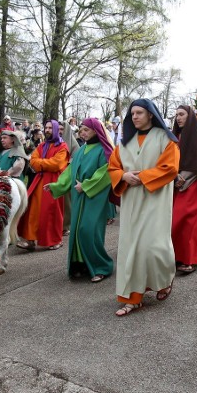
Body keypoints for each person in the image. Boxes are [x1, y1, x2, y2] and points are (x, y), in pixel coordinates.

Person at [107, 99, 179, 316]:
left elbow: (170, 168)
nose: (135, 117)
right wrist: (123, 176)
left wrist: (143, 177)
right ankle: (133, 298)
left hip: (155, 199)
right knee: (130, 248)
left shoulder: (166, 140)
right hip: (131, 202)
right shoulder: (124, 143)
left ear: (150, 114)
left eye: (139, 113)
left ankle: (165, 277)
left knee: (154, 246)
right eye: (132, 114)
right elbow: (113, 167)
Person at [47, 118, 114, 282]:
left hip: (95, 197)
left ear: (96, 131)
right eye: (81, 130)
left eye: (86, 130)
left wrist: (86, 186)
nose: (83, 133)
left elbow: (106, 172)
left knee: (89, 230)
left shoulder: (103, 150)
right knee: (77, 230)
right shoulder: (81, 150)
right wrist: (58, 185)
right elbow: (70, 172)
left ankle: (102, 266)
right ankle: (81, 264)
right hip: (78, 196)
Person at [171, 105, 197, 274]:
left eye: (181, 114)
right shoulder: (175, 137)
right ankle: (176, 256)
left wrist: (183, 179)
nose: (178, 118)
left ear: (190, 116)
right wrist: (174, 177)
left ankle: (190, 259)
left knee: (189, 221)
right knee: (174, 221)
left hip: (194, 185)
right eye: (176, 116)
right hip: (175, 183)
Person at [17, 120, 69, 250]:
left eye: (50, 128)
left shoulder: (63, 146)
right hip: (39, 181)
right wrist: (45, 164)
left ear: (56, 129)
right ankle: (30, 239)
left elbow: (57, 164)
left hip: (54, 182)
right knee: (32, 210)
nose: (47, 130)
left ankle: (55, 240)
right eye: (46, 128)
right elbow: (32, 161)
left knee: (52, 212)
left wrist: (41, 164)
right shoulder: (42, 146)